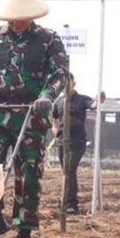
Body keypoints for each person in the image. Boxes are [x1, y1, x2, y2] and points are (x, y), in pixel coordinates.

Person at [0, 0, 69, 238]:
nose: (14, 21)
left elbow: (60, 72)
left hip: (31, 114)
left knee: (28, 170)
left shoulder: (48, 39)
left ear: (31, 15)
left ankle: (24, 233)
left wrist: (47, 96)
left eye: (19, 16)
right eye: (10, 17)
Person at [50, 74, 104, 214]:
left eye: (69, 81)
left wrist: (99, 100)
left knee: (69, 170)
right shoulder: (58, 102)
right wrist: (54, 128)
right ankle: (67, 202)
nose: (66, 85)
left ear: (75, 83)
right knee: (66, 172)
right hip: (62, 142)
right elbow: (53, 117)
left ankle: (72, 204)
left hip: (77, 142)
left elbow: (92, 105)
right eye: (63, 82)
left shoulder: (82, 99)